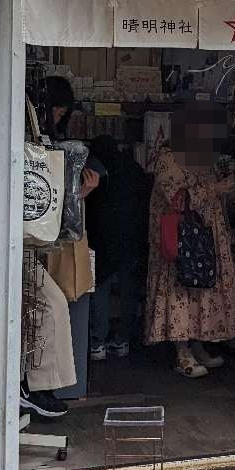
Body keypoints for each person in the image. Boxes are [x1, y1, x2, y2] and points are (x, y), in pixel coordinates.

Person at [144, 101, 235, 378]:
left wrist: (233, 188)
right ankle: (182, 352)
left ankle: (198, 345)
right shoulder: (168, 159)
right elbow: (177, 198)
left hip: (204, 239)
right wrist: (216, 188)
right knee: (181, 290)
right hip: (182, 240)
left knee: (201, 290)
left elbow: (211, 195)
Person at [20, 76, 100, 421]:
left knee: (40, 306)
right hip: (21, 238)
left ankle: (33, 384)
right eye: (58, 109)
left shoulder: (28, 118)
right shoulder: (27, 120)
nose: (58, 115)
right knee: (47, 305)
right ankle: (35, 386)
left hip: (27, 238)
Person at [85, 135, 149, 360]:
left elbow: (90, 205)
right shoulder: (133, 168)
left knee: (99, 289)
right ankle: (123, 339)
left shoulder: (95, 169)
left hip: (101, 238)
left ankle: (97, 341)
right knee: (127, 291)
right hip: (131, 238)